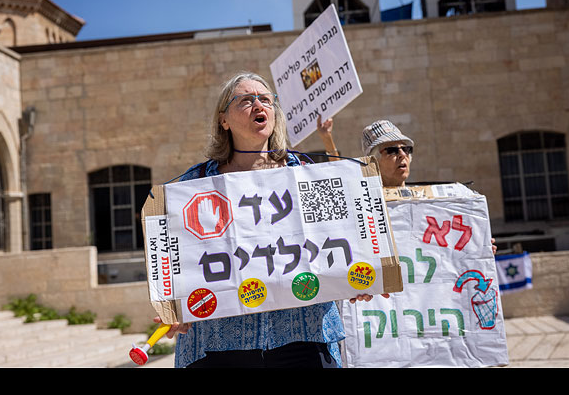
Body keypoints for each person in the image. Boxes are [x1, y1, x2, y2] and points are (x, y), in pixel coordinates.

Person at [154, 71, 377, 368]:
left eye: (266, 99)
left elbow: (342, 239)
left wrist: (362, 275)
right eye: (246, 100)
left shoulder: (307, 174)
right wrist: (173, 308)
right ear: (224, 120)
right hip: (219, 344)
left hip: (304, 336)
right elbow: (171, 257)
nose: (259, 105)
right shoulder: (194, 183)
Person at [317, 118, 497, 254]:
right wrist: (327, 139)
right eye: (392, 151)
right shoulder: (363, 202)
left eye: (406, 149)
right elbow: (338, 176)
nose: (402, 155)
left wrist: (479, 250)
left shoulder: (431, 200)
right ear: (373, 163)